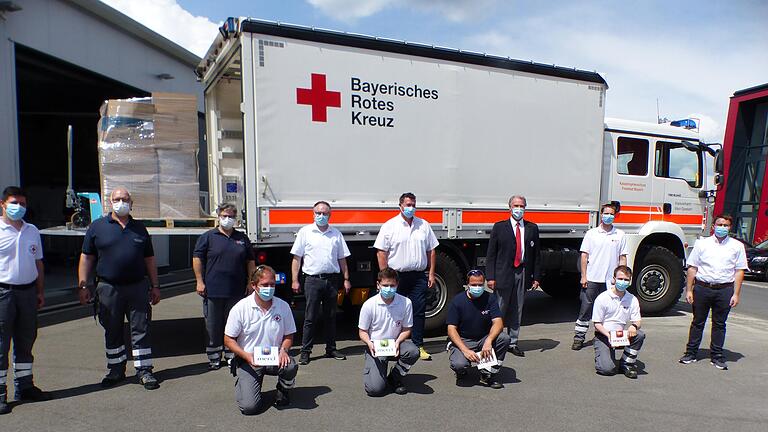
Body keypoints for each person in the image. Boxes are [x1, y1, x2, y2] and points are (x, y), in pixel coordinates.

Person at [77, 187, 161, 390]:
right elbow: (86, 257)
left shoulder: (139, 228)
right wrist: (83, 284)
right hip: (108, 288)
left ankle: (144, 371)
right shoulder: (97, 227)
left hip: (137, 287)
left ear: (131, 204)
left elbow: (149, 259)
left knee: (141, 329)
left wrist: (155, 285)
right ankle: (116, 370)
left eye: (124, 199)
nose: (120, 202)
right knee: (112, 329)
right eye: (117, 199)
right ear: (110, 202)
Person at [0, 186, 51, 415]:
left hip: (28, 293)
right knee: (1, 343)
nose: (18, 207)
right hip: (4, 293)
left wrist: (40, 291)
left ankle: (25, 386)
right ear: (2, 204)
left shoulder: (32, 230)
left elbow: (38, 263)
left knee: (26, 339)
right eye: (13, 203)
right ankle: (1, 393)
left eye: (22, 204)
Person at [224, 265, 297, 414]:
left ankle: (283, 390)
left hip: (274, 356)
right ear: (254, 285)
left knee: (290, 366)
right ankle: (243, 382)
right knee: (249, 408)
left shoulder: (283, 307)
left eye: (272, 284)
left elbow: (289, 335)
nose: (269, 288)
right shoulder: (240, 308)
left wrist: (284, 350)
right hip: (249, 360)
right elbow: (228, 339)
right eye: (264, 285)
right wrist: (246, 356)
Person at [374, 192, 439, 361]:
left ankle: (418, 345)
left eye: (413, 204)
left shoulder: (423, 225)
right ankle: (390, 346)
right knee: (392, 311)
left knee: (418, 311)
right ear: (400, 206)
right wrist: (385, 278)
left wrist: (431, 273)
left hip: (418, 276)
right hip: (397, 276)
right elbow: (381, 252)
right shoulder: (390, 226)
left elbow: (431, 250)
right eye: (408, 204)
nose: (411, 208)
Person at [679, 214, 747, 370]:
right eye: (720, 224)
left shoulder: (737, 246)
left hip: (724, 289)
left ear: (730, 228)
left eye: (726, 225)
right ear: (713, 226)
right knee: (697, 322)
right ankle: (690, 353)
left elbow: (739, 271)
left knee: (719, 324)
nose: (722, 228)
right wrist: (689, 289)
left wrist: (736, 294)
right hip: (702, 288)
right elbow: (692, 267)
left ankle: (716, 356)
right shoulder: (702, 244)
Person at [193, 203, 256, 370]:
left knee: (234, 324)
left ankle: (231, 354)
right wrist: (199, 281)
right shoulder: (208, 237)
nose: (227, 219)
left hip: (236, 291)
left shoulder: (242, 238)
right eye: (224, 216)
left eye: (231, 216)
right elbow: (197, 259)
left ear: (235, 219)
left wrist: (251, 282)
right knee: (213, 325)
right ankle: (214, 356)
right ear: (218, 217)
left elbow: (250, 262)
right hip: (213, 290)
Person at [290, 201, 351, 365]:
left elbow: (342, 259)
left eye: (325, 213)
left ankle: (331, 348)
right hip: (312, 280)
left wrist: (346, 279)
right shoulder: (305, 232)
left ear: (330, 215)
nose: (321, 216)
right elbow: (297, 258)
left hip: (332, 280)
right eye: (318, 213)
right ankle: (305, 352)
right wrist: (294, 280)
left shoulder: (336, 234)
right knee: (310, 317)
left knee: (331, 316)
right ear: (313, 213)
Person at [485, 195, 541, 357]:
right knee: (500, 309)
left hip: (522, 272)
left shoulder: (532, 228)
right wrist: (490, 277)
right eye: (516, 205)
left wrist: (536, 277)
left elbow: (536, 255)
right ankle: (495, 340)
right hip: (503, 273)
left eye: (522, 206)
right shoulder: (499, 227)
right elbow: (491, 255)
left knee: (517, 309)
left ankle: (513, 342)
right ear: (509, 208)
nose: (519, 208)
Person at [572, 203, 627, 350]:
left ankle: (610, 338)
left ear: (615, 216)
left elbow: (622, 258)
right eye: (606, 213)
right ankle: (579, 338)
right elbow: (584, 256)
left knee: (611, 310)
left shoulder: (620, 235)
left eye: (611, 214)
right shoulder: (592, 234)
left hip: (610, 281)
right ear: (601, 215)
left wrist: (622, 277)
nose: (608, 216)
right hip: (592, 278)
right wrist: (584, 276)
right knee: (586, 308)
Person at [358, 268, 419, 396]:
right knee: (375, 390)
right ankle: (375, 370)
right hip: (375, 346)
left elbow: (407, 329)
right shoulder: (369, 305)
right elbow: (362, 331)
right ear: (378, 285)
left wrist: (398, 342)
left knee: (413, 351)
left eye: (392, 285)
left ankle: (395, 377)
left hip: (395, 344)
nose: (389, 288)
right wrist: (369, 343)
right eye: (385, 285)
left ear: (397, 284)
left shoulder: (406, 303)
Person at [447, 269, 509, 389]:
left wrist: (489, 340)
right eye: (474, 285)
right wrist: (465, 350)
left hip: (483, 338)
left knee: (504, 338)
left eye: (480, 285)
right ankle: (461, 371)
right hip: (464, 339)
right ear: (467, 284)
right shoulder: (457, 301)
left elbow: (498, 323)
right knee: (459, 364)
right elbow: (451, 329)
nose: (477, 287)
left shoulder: (490, 298)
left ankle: (487, 373)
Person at [592, 265, 644, 379]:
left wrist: (634, 326)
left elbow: (638, 320)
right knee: (607, 369)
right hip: (604, 335)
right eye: (620, 279)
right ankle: (602, 355)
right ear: (614, 279)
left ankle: (626, 363)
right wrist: (608, 335)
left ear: (629, 281)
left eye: (626, 280)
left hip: (621, 335)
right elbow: (596, 324)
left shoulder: (632, 299)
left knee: (639, 335)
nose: (623, 282)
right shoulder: (602, 298)